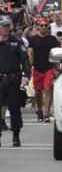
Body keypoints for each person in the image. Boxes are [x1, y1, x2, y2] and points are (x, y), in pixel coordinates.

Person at [0, 15, 31, 147]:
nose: (7, 28)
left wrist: (27, 74)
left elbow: (25, 59)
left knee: (14, 108)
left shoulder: (17, 41)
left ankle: (16, 134)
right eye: (4, 25)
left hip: (13, 80)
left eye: (8, 25)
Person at [28, 17, 59, 123]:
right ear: (37, 27)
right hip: (37, 68)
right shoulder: (33, 39)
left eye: (46, 25)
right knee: (37, 92)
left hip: (49, 68)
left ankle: (46, 113)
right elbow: (30, 53)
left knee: (47, 88)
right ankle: (40, 110)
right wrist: (29, 66)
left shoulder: (52, 39)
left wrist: (57, 68)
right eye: (41, 25)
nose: (44, 27)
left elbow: (56, 54)